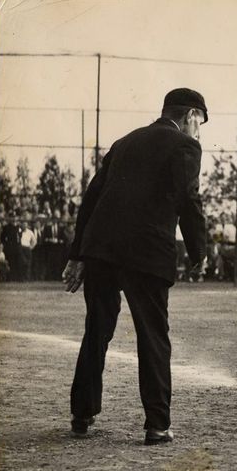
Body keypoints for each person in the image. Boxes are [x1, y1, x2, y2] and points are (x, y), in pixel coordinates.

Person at [62, 88, 208, 445]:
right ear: (190, 115)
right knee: (153, 335)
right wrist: (199, 251)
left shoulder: (124, 142)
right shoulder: (185, 146)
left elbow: (91, 198)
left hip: (102, 250)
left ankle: (82, 415)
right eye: (200, 123)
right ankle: (157, 425)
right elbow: (187, 199)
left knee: (97, 329)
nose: (199, 132)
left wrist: (78, 253)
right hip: (147, 252)